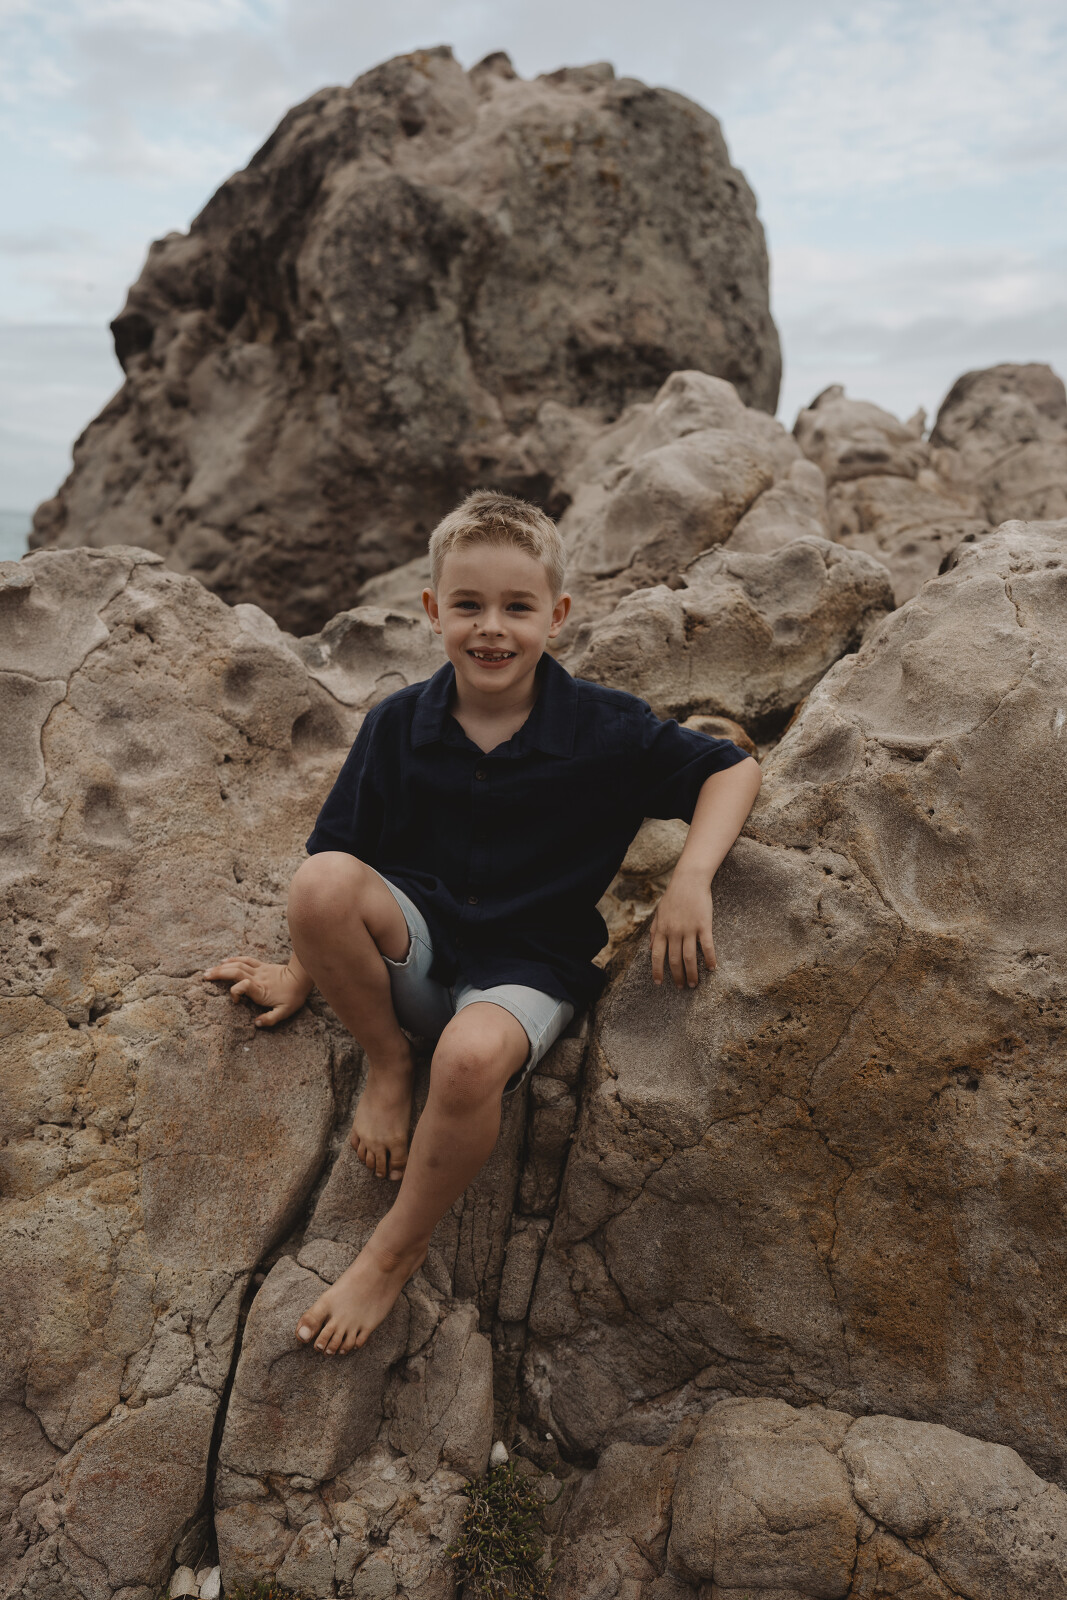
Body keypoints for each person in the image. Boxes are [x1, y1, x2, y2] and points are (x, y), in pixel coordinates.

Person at [205, 491, 762, 1356]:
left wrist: (690, 878)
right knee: (318, 884)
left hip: (525, 970)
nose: (491, 629)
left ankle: (393, 1250)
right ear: (434, 611)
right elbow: (344, 855)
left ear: (557, 615)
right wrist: (298, 972)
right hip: (415, 951)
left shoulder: (606, 728)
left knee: (466, 1061)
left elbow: (730, 770)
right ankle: (389, 1065)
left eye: (516, 607)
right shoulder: (398, 724)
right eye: (468, 605)